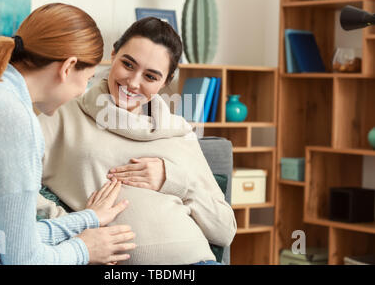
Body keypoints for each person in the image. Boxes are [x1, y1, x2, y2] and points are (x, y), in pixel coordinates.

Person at [0, 3, 136, 265]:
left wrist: (88, 219)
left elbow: (10, 236)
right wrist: (84, 251)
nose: (83, 90)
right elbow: (23, 258)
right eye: (89, 78)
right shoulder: (12, 117)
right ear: (68, 67)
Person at [37, 17, 237, 265]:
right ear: (114, 53)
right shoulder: (63, 113)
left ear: (166, 81)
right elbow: (15, 187)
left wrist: (172, 180)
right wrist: (79, 229)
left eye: (151, 77)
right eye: (128, 64)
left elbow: (225, 230)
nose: (133, 82)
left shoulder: (180, 132)